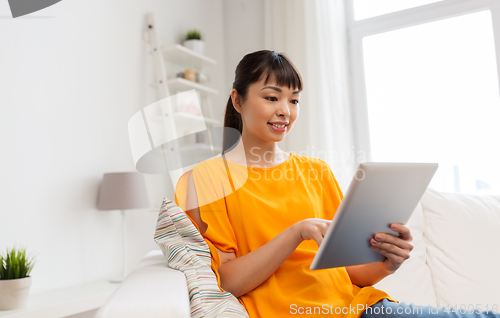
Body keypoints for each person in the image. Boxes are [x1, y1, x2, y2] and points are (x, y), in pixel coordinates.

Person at [173, 50, 499, 318]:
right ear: (237, 100)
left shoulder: (316, 171)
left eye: (295, 100)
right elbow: (228, 281)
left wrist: (387, 263)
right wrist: (296, 231)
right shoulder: (207, 179)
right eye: (272, 97)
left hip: (363, 309)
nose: (285, 111)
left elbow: (350, 273)